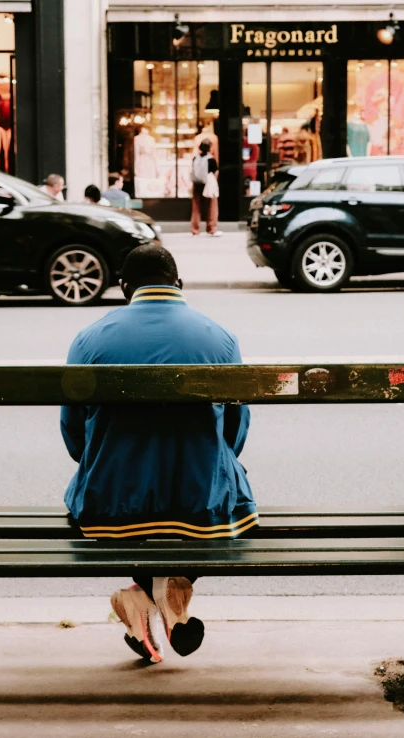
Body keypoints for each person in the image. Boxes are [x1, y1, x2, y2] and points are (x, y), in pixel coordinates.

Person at [60, 245, 258, 664]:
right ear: (180, 285)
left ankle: (145, 596)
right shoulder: (221, 340)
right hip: (200, 502)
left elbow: (74, 434)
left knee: (134, 501)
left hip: (107, 506)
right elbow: (235, 433)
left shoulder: (89, 339)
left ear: (123, 288)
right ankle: (172, 590)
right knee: (228, 498)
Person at [190, 139, 222, 237]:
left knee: (196, 207)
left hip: (197, 184)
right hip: (208, 184)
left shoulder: (195, 158)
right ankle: (212, 228)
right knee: (212, 206)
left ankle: (195, 229)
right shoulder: (211, 159)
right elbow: (215, 173)